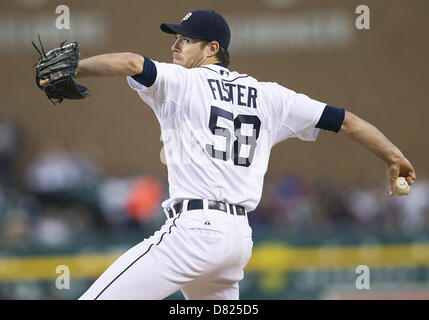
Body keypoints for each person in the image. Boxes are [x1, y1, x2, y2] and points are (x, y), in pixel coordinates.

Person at [40, 9, 416, 300]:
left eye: (184, 40)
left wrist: (76, 68)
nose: (174, 46)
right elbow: (344, 120)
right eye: (175, 38)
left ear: (212, 48)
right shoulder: (271, 96)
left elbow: (132, 63)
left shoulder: (183, 81)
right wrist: (393, 155)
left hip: (193, 234)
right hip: (236, 241)